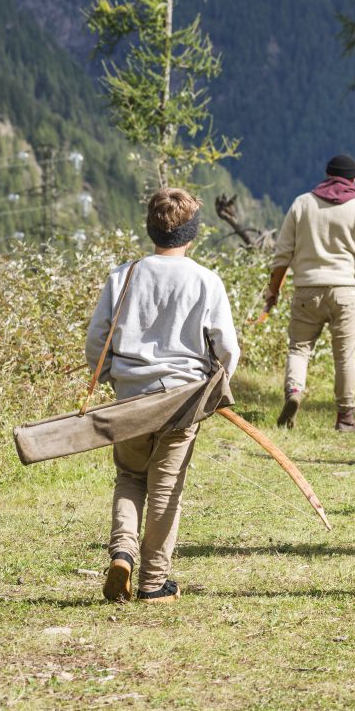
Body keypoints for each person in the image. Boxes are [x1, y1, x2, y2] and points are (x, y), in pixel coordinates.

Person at [85, 189, 239, 604]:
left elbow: (97, 341)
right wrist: (216, 387)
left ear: (151, 229)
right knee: (167, 488)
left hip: (131, 400)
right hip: (181, 402)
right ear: (192, 234)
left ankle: (122, 554)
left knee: (130, 477)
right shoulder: (206, 280)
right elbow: (226, 347)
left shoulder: (124, 276)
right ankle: (154, 583)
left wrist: (110, 376)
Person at [264, 153, 355, 433]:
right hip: (344, 292)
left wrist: (272, 293)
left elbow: (282, 256)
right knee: (344, 356)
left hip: (306, 290)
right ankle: (346, 418)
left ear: (327, 174)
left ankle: (294, 390)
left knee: (299, 348)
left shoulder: (302, 204)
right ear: (354, 180)